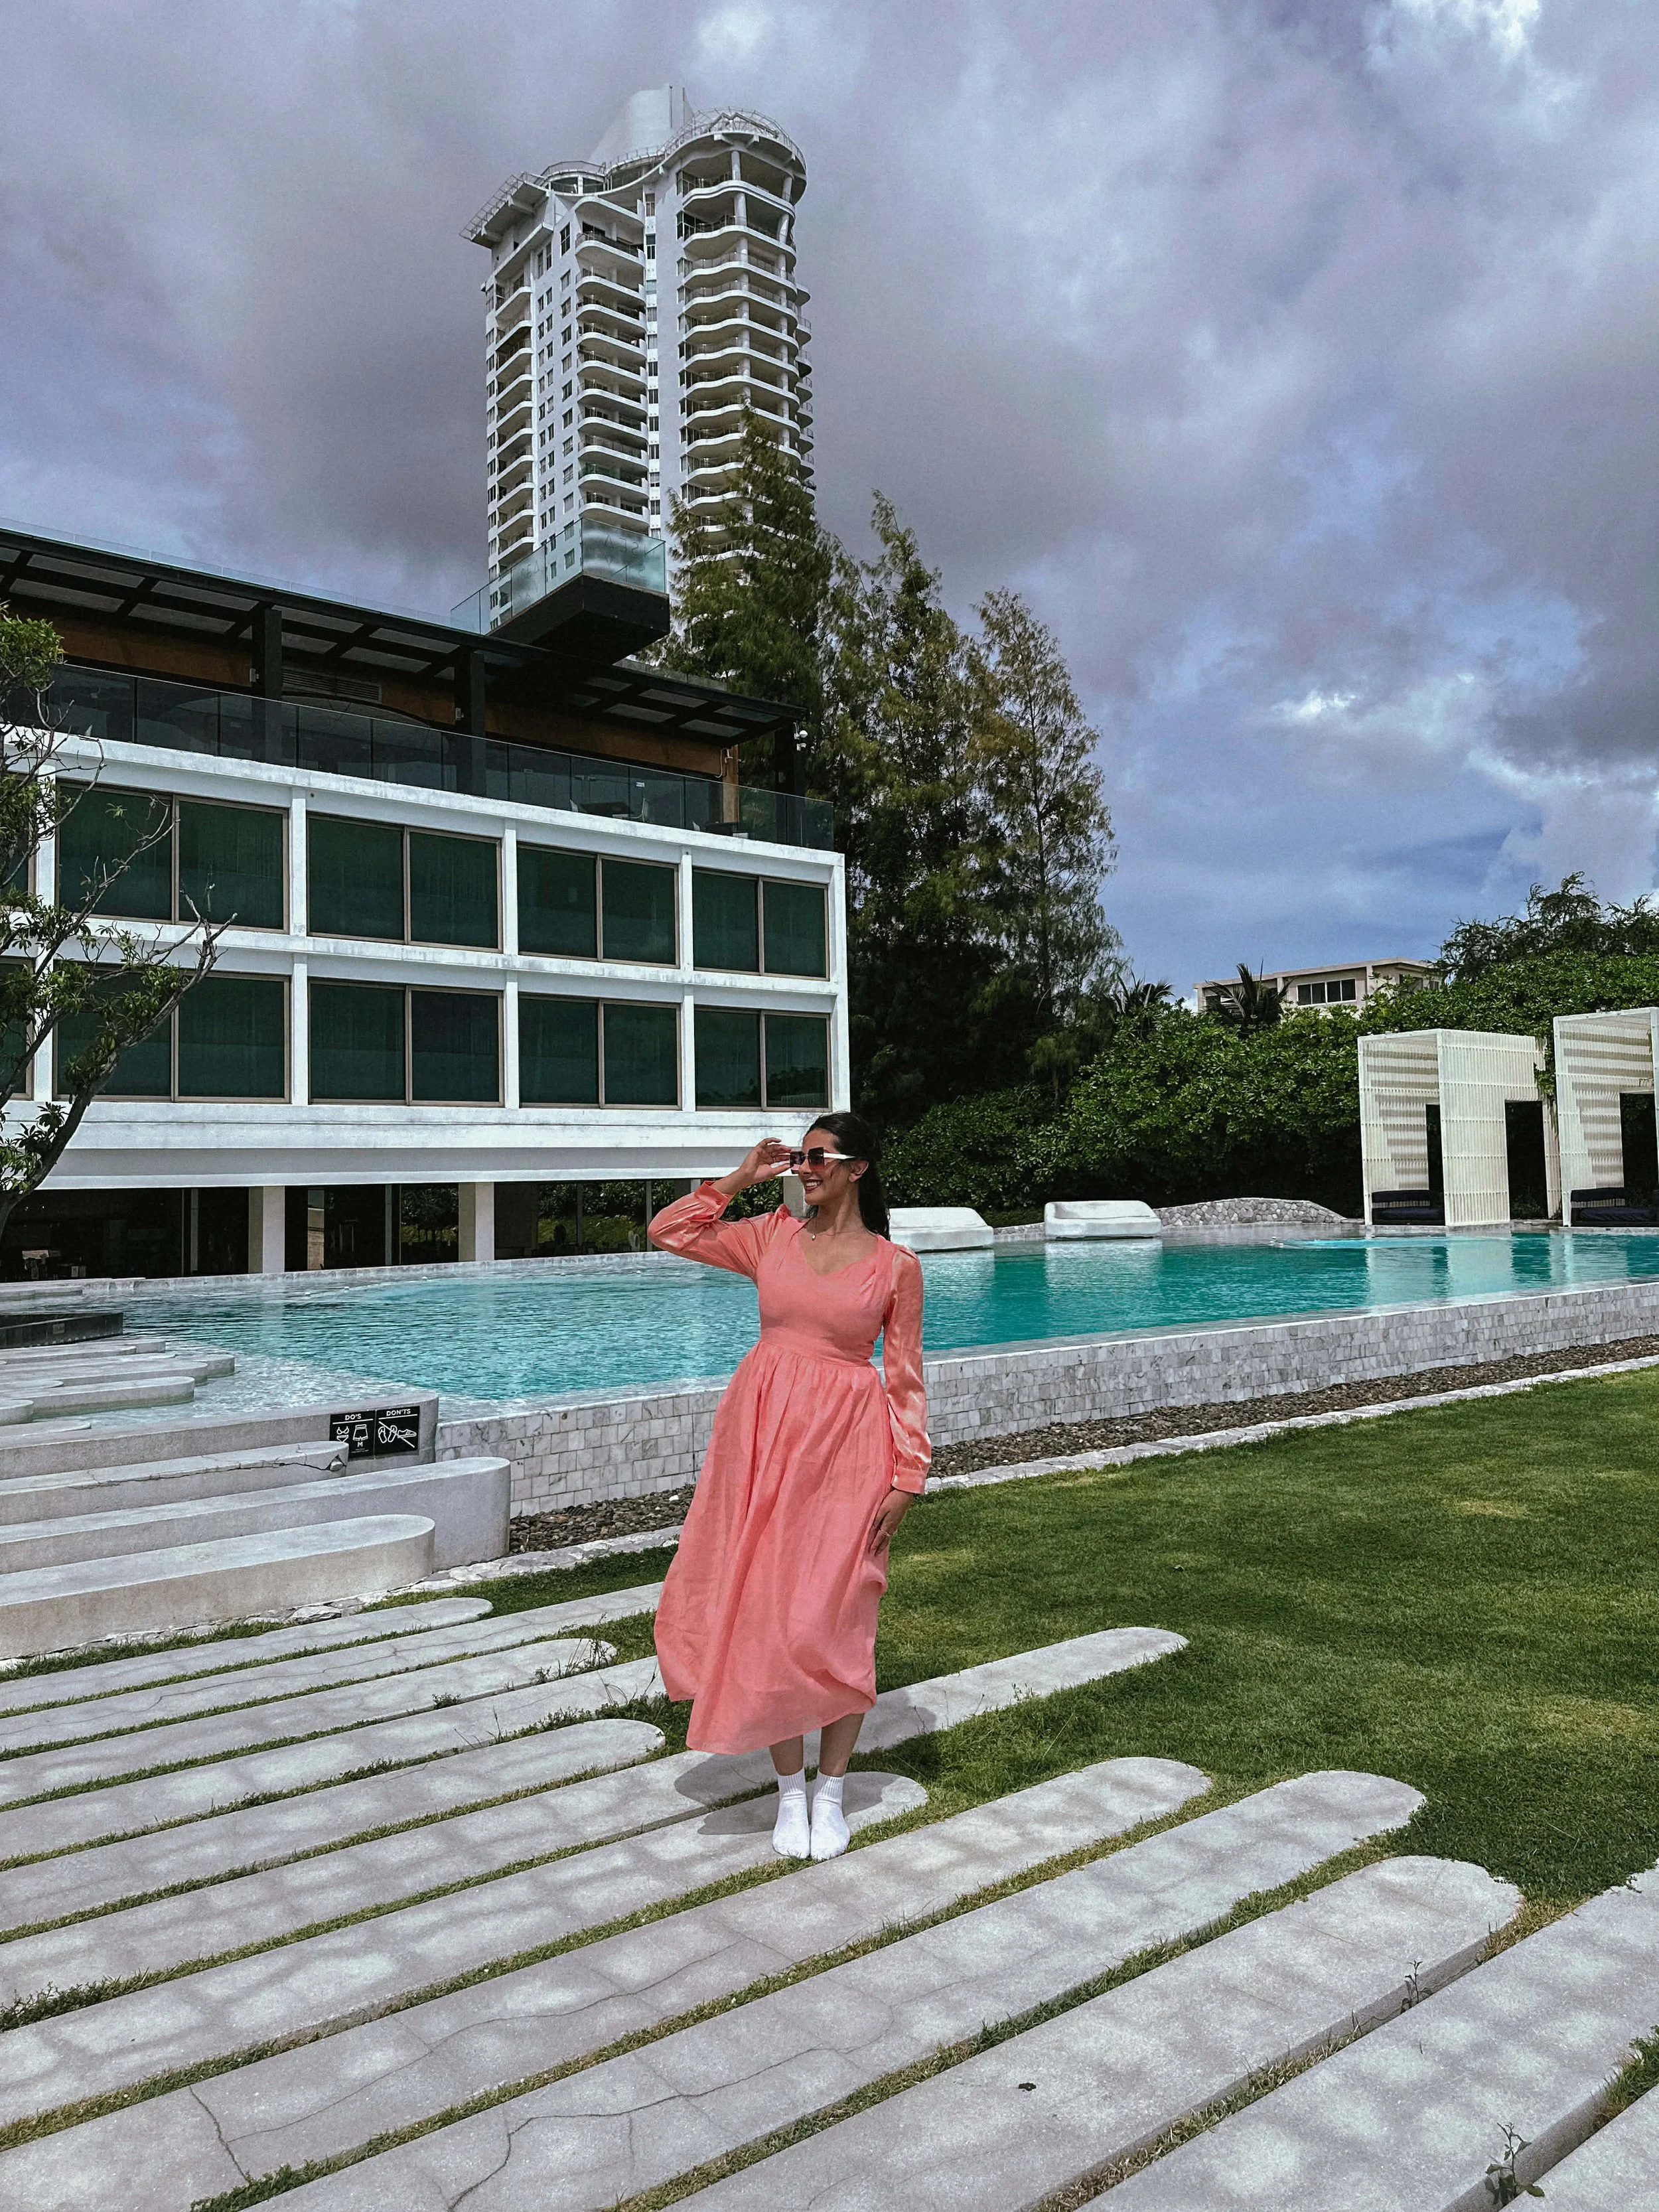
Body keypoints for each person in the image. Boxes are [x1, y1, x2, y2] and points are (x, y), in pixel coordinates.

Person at [647, 1110, 929, 1862]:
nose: (803, 1170)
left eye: (815, 1158)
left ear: (857, 1168)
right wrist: (741, 1178)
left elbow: (904, 1381)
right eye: (798, 1159)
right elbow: (668, 1231)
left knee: (838, 1612)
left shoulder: (895, 1266)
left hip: (848, 1448)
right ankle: (790, 1794)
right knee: (768, 1611)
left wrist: (909, 1476)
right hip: (761, 1439)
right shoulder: (770, 1236)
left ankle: (832, 1790)